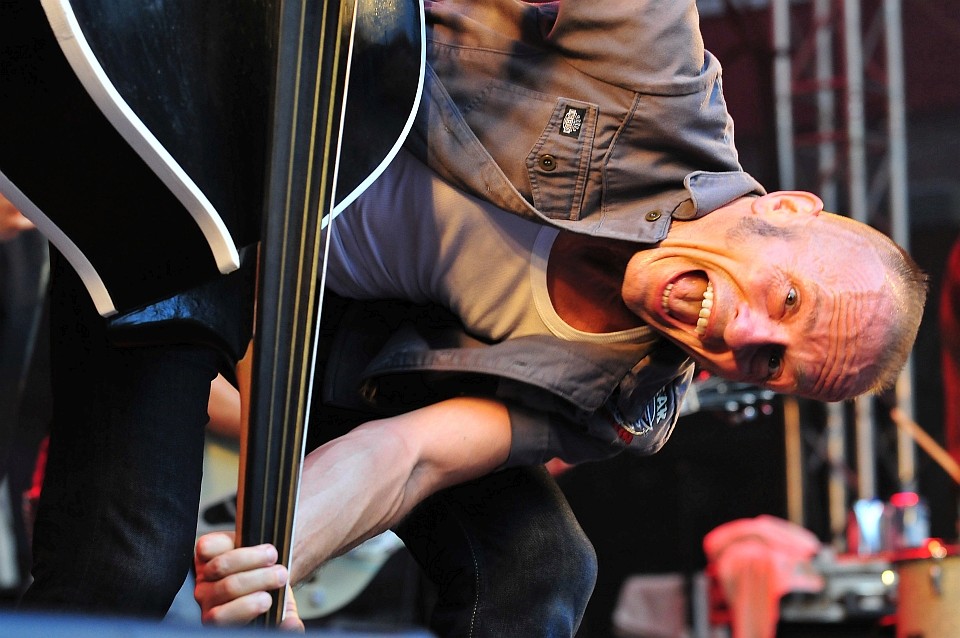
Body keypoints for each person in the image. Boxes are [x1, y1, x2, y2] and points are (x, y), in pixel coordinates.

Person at [19, 1, 926, 636]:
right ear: (790, 208)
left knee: (542, 571)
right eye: (788, 300)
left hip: (277, 314)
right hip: (191, 166)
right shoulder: (659, 63)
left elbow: (412, 453)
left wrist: (274, 554)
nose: (746, 338)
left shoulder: (625, 395)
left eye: (774, 366)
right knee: (128, 570)